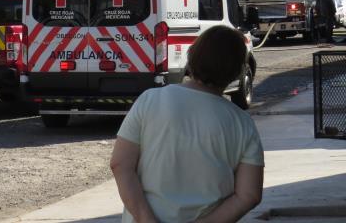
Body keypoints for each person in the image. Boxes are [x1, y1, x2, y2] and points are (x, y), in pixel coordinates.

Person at [110, 26, 264, 223]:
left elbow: (120, 165)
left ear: (192, 57)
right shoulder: (243, 124)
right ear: (236, 71)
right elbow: (249, 195)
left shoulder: (150, 100)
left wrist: (146, 219)